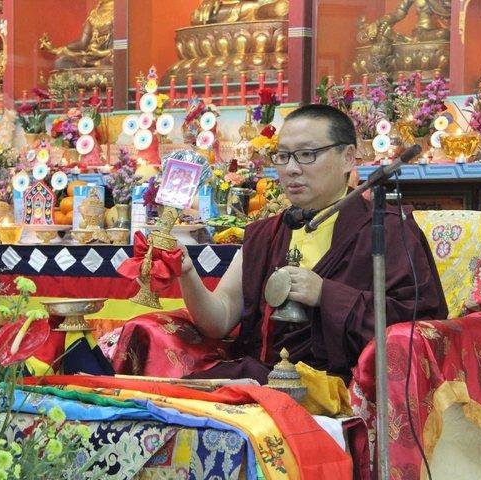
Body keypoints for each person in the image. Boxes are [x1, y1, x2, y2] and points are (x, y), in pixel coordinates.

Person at [112, 104, 448, 383]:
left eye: (307, 155)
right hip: (265, 379)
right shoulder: (267, 233)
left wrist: (326, 294)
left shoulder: (386, 229)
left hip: (342, 386)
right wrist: (187, 273)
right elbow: (219, 319)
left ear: (348, 157)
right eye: (283, 156)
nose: (291, 169)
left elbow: (421, 325)